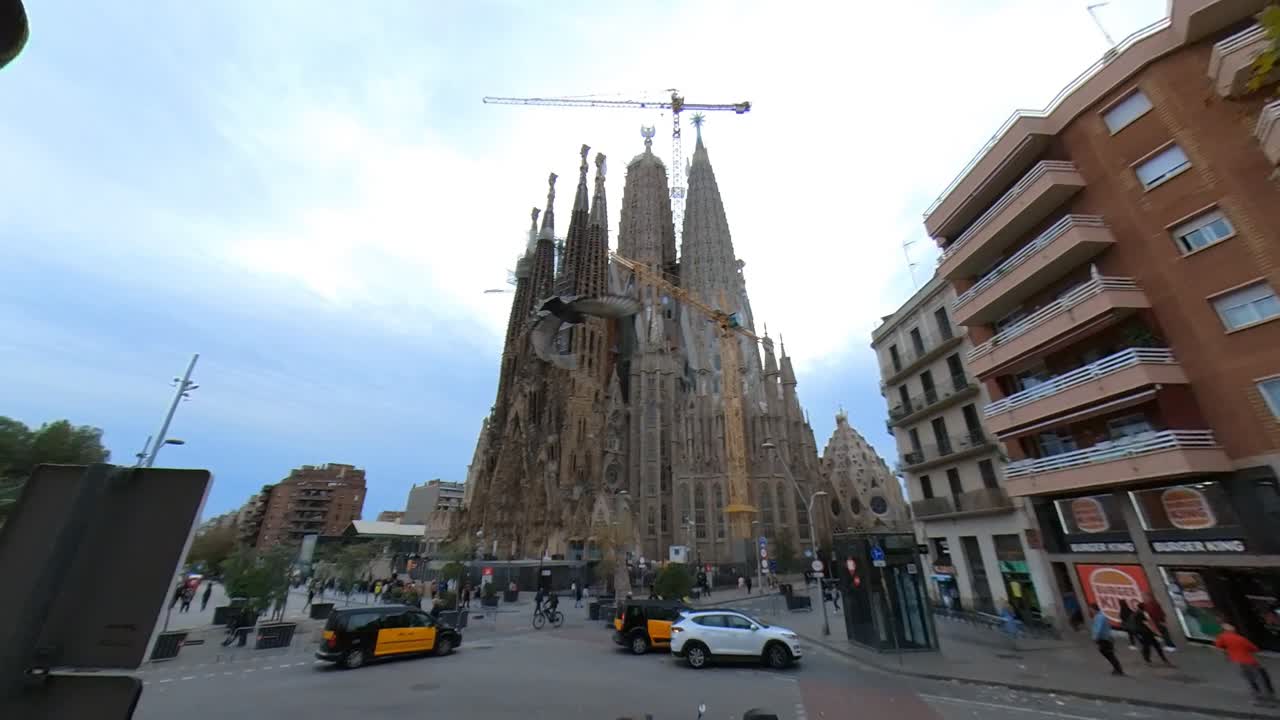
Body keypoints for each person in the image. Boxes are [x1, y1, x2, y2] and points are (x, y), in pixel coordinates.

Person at [1215, 622, 1276, 702]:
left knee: (1249, 679)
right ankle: (1268, 695)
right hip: (1250, 661)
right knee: (1260, 677)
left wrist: (1227, 653)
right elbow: (1255, 649)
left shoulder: (1222, 637)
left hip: (1237, 662)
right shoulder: (1241, 638)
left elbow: (1218, 646)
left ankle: (1257, 696)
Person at [1090, 603, 1124, 675]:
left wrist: (1095, 637)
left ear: (1094, 609)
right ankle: (1117, 668)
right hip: (1105, 638)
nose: (1090, 611)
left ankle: (1118, 669)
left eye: (1091, 609)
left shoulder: (1099, 617)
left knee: (1109, 654)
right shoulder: (1099, 616)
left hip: (1104, 639)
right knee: (1108, 654)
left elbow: (1098, 628)